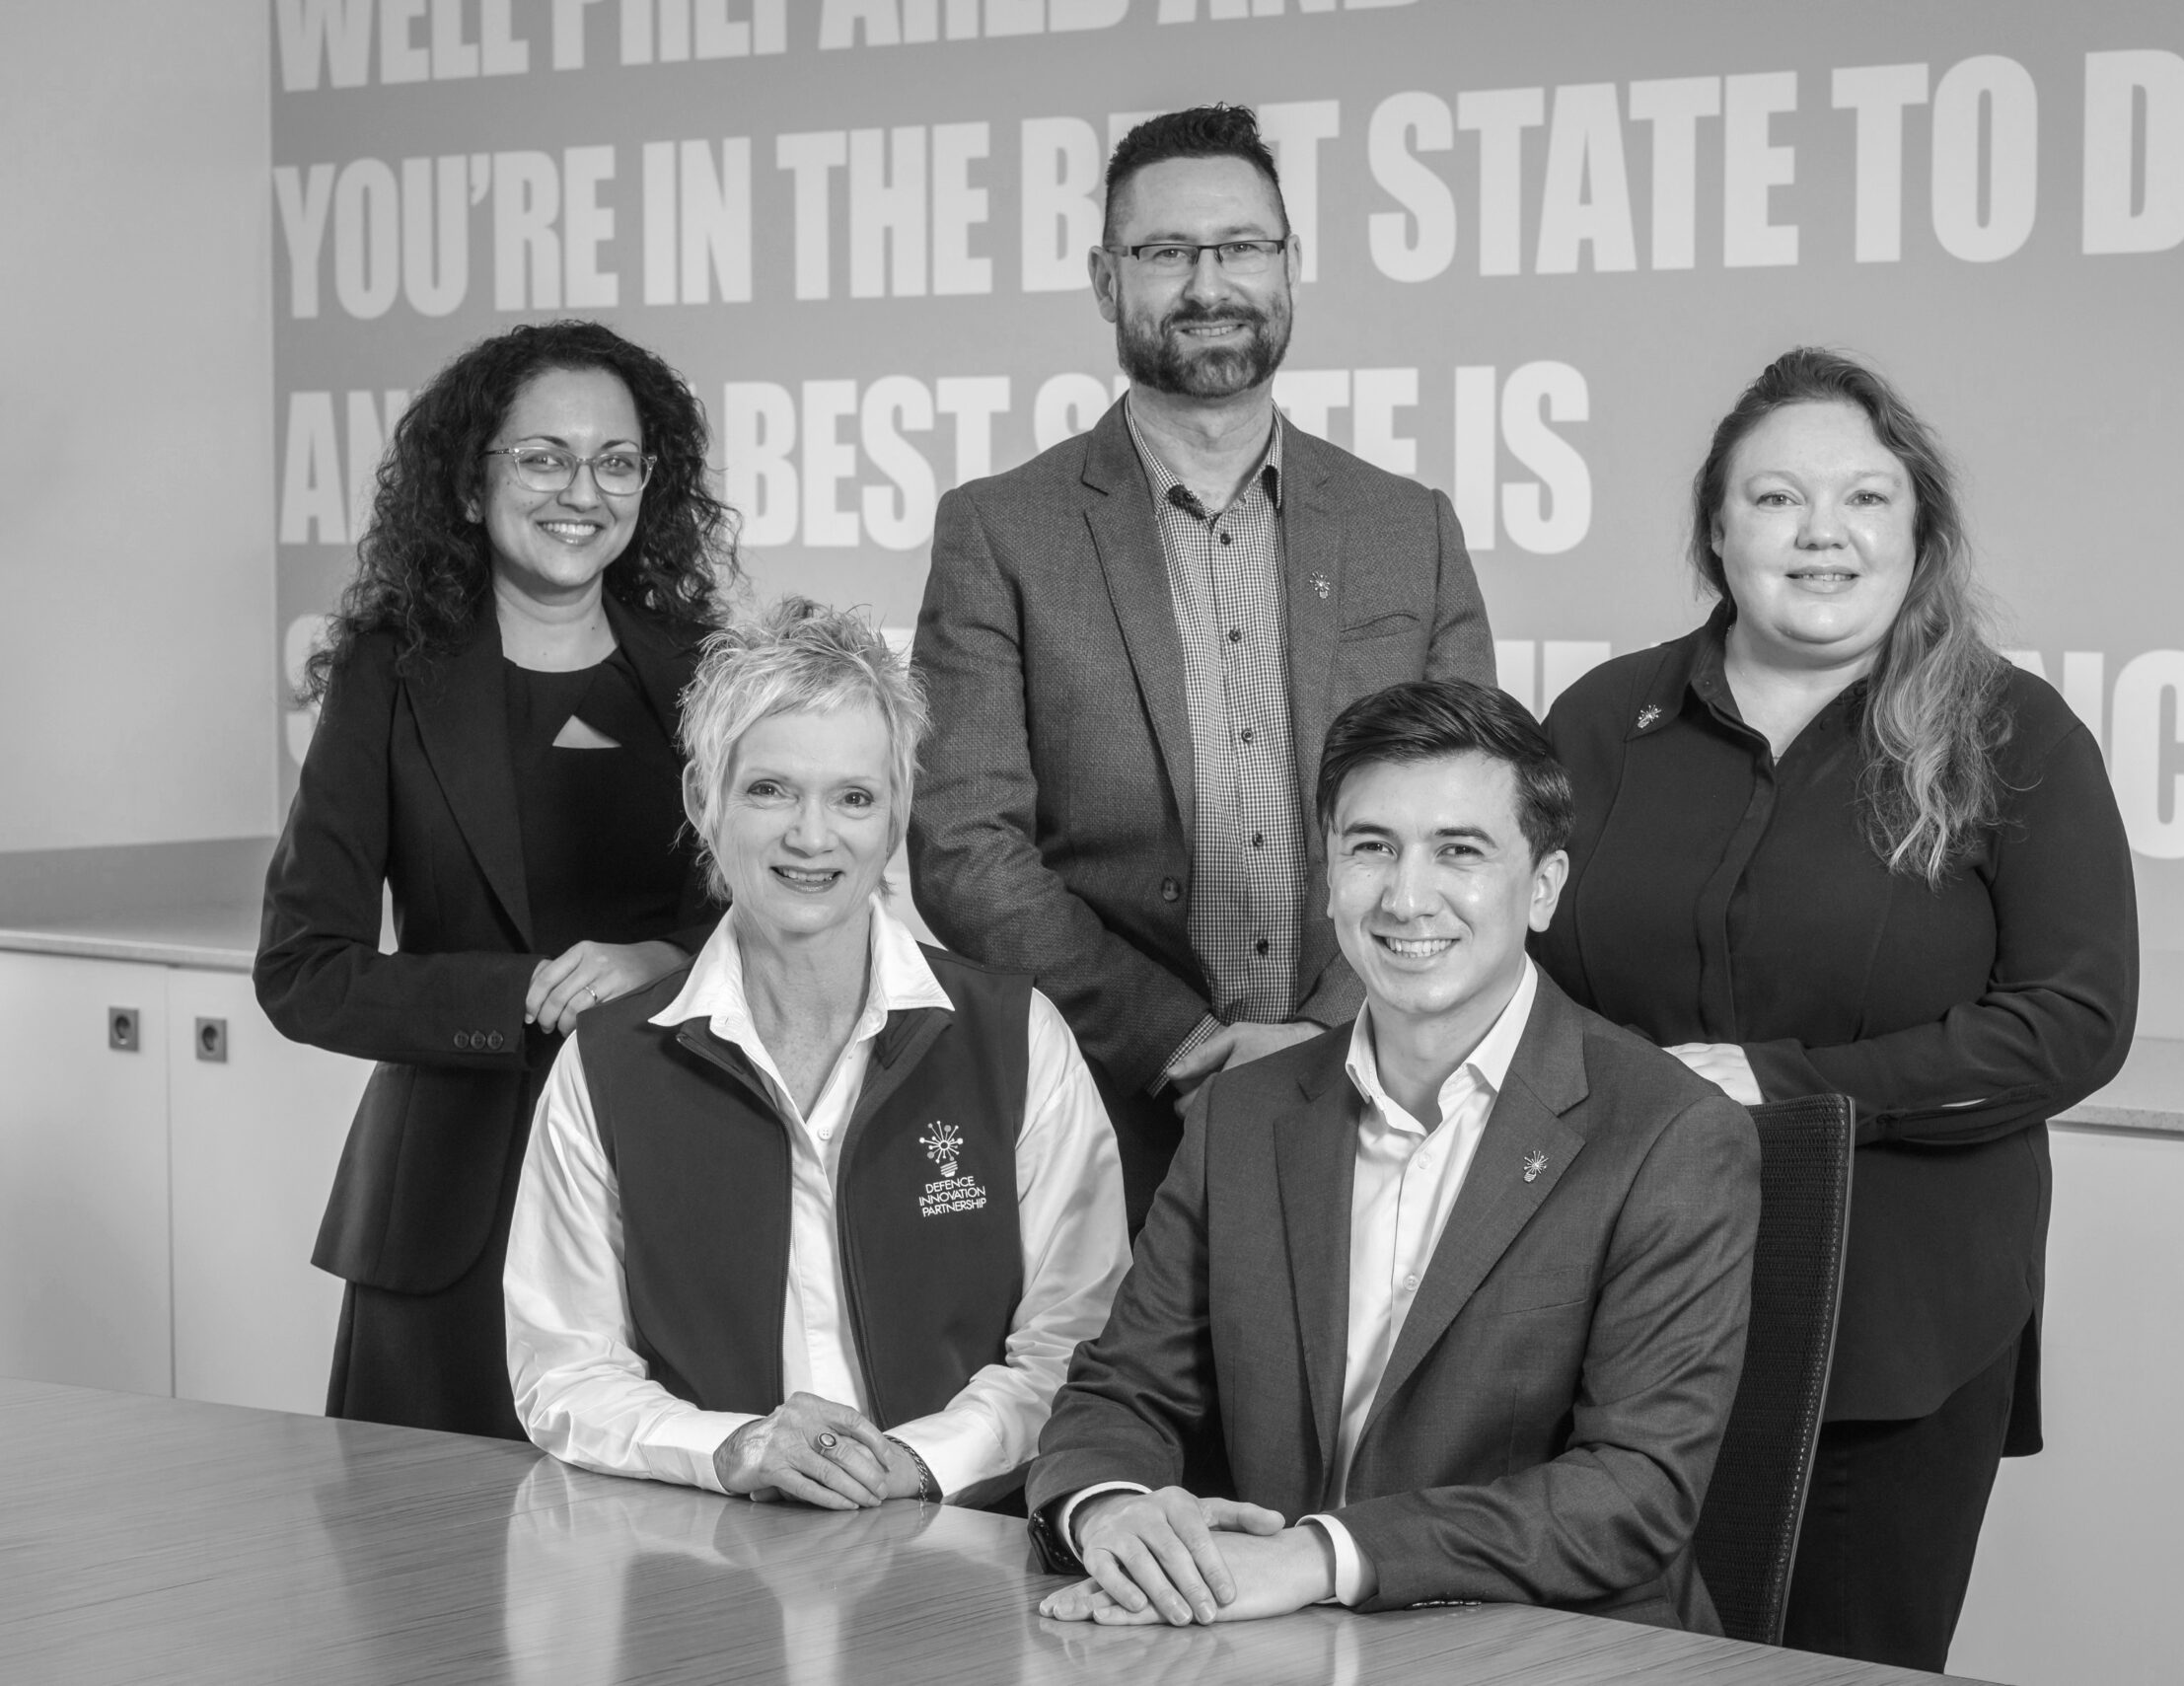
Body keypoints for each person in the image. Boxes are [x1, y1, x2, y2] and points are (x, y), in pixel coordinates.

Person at [1534, 348, 2140, 1671]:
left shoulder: (2011, 736)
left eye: (1865, 498)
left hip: (1890, 1337)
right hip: (1610, 1312)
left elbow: (2072, 1020)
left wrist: (1780, 1086)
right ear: (1714, 527)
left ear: (1919, 532)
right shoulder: (1599, 721)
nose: (1821, 534)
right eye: (1775, 499)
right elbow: (1516, 983)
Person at [1027, 679, 1760, 1631]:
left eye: (1460, 851)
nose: (1408, 897)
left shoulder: (1672, 1134)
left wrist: (1323, 1554)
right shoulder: (1243, 1114)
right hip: (1276, 1640)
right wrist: (1114, 1510)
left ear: (1542, 888)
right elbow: (1122, 1388)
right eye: (1372, 847)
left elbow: (1635, 1493)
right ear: (1327, 877)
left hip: (1549, 1649)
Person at [910, 104, 1495, 1228]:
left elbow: (1475, 815)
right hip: (1107, 1110)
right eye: (1167, 253)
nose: (1207, 283)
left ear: (1288, 266)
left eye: (1240, 247)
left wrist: (1331, 1032)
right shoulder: (1001, 529)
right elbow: (962, 842)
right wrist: (1177, 1044)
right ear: (1105, 281)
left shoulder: (1404, 527)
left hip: (1380, 1097)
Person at [505, 601, 1128, 1509]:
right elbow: (564, 1371)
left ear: (897, 815)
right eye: (769, 789)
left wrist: (920, 1462)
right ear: (701, 801)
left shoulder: (1017, 1038)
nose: (811, 834)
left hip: (960, 1559)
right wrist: (735, 1448)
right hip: (708, 1567)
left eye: (853, 796)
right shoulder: (605, 1067)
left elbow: (1079, 1340)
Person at [257, 320, 738, 1438]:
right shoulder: (390, 674)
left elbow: (776, 917)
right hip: (448, 1208)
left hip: (670, 1182)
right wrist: (520, 991)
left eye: (617, 460)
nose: (584, 489)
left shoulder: (711, 673)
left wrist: (665, 962)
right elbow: (303, 971)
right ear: (472, 485)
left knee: (663, 1592)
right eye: (543, 456)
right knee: (422, 1583)